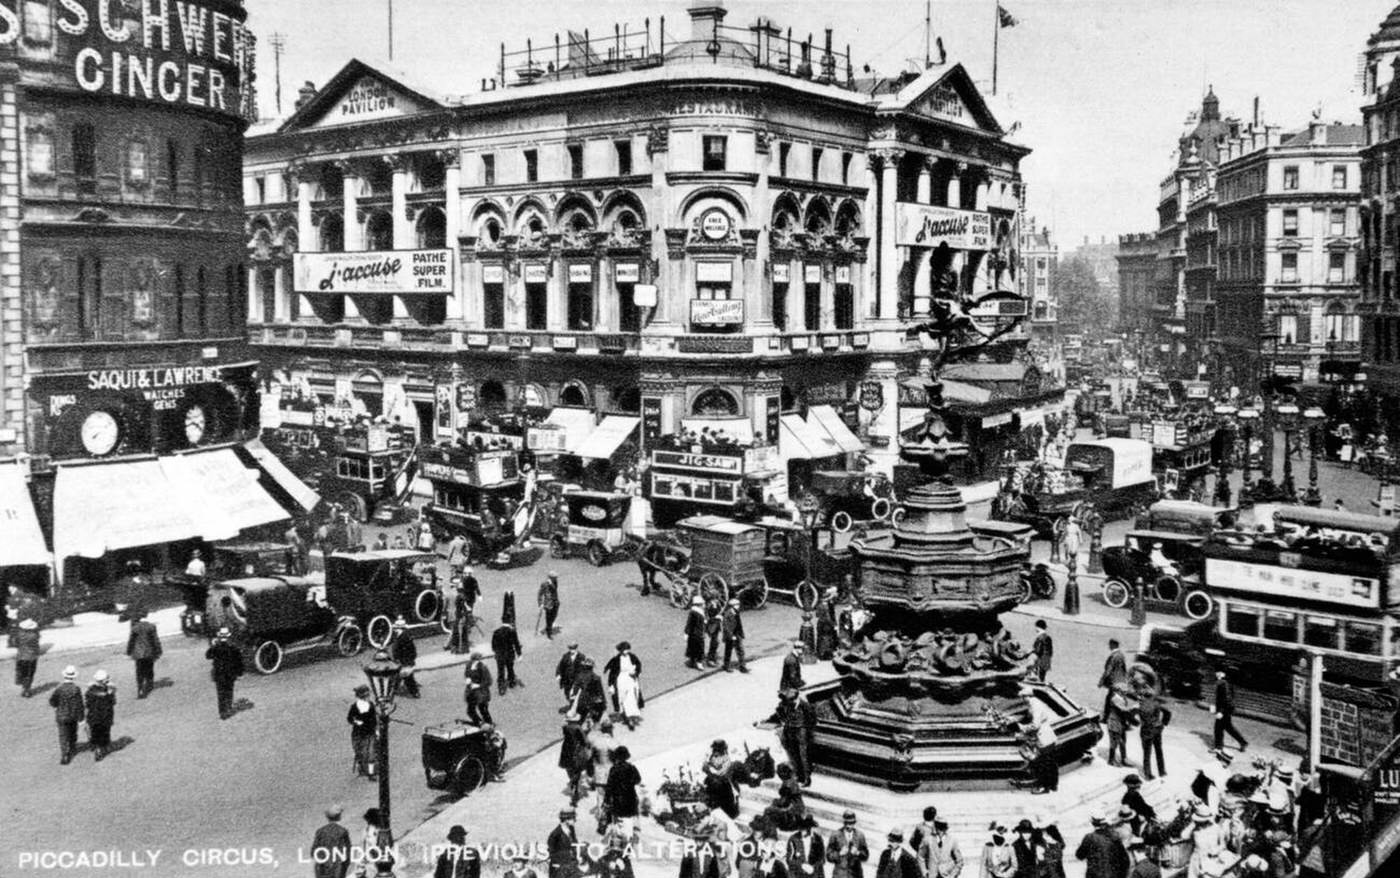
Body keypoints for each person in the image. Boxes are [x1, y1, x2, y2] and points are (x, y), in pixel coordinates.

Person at [777, 687, 817, 787]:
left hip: (801, 731)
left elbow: (812, 718)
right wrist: (784, 722)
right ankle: (798, 776)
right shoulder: (785, 704)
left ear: (796, 698)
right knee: (793, 755)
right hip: (790, 730)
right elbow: (780, 712)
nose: (790, 702)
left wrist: (807, 729)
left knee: (804, 756)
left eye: (791, 700)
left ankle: (806, 779)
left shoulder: (804, 705)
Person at [603, 744, 643, 839]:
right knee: (629, 823)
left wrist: (606, 801)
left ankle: (619, 839)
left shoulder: (614, 769)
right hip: (630, 800)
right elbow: (638, 780)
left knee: (618, 824)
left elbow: (609, 787)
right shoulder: (631, 768)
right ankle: (629, 839)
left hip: (617, 801)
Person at [1074, 813, 1129, 878]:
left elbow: (1079, 856)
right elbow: (1125, 860)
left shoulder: (1089, 838)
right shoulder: (1115, 837)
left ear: (1093, 824)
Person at [206, 627, 244, 720]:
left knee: (221, 694)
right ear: (228, 636)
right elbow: (239, 661)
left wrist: (212, 645)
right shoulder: (233, 647)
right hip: (230, 674)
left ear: (220, 636)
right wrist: (240, 673)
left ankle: (222, 712)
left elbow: (208, 656)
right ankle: (228, 708)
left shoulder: (216, 647)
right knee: (229, 691)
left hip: (219, 674)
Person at [604, 642, 643, 731]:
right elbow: (612, 673)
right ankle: (626, 715)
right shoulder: (617, 659)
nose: (626, 651)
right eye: (624, 650)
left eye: (627, 649)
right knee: (622, 698)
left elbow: (638, 665)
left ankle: (631, 717)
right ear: (621, 650)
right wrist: (611, 685)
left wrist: (636, 672)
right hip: (621, 680)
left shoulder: (632, 657)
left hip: (631, 680)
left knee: (631, 698)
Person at [50, 665, 85, 765]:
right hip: (73, 715)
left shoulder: (59, 689)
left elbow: (52, 701)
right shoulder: (76, 689)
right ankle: (72, 747)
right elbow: (79, 704)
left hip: (61, 715)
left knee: (63, 735)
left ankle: (65, 755)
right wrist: (81, 718)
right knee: (72, 732)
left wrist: (56, 706)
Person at [125, 610, 163, 699]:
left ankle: (140, 690)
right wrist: (159, 650)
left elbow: (131, 641)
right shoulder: (151, 626)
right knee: (149, 668)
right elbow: (155, 640)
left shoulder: (134, 628)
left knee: (139, 671)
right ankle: (149, 684)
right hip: (149, 651)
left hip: (138, 653)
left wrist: (129, 651)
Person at [702, 739, 740, 818]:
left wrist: (711, 770)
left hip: (723, 783)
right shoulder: (712, 756)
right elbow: (704, 768)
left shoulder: (726, 758)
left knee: (727, 801)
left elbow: (722, 772)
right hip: (714, 782)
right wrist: (706, 762)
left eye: (717, 749)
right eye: (714, 749)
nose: (715, 751)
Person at [1212, 670, 1248, 754]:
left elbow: (1226, 699)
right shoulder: (1225, 683)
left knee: (1218, 728)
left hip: (1225, 710)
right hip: (1226, 709)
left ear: (1222, 674)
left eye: (1218, 673)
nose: (1216, 674)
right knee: (1228, 727)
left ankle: (1218, 747)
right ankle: (1243, 742)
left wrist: (1220, 711)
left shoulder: (1223, 684)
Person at [311, 806, 352, 878]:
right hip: (338, 868)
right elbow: (347, 852)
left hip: (323, 868)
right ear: (339, 816)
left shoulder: (320, 831)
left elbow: (314, 851)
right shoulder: (342, 831)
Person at [84, 669, 116, 761]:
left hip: (93, 716)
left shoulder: (90, 691)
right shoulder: (109, 692)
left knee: (95, 732)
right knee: (105, 732)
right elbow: (113, 702)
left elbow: (87, 703)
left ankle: (97, 748)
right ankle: (104, 747)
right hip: (106, 716)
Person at [560, 713, 592, 807]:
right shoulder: (578, 728)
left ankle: (573, 785)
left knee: (569, 768)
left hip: (566, 749)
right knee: (577, 770)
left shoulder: (565, 727)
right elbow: (584, 741)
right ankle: (574, 786)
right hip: (577, 750)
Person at [827, 812, 870, 878]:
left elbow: (866, 856)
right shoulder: (835, 835)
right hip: (840, 875)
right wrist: (839, 853)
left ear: (854, 822)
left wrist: (857, 853)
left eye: (851, 823)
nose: (848, 826)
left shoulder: (860, 835)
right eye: (846, 823)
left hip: (856, 875)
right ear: (844, 822)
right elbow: (828, 856)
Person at [1137, 690, 1169, 780]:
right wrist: (1163, 723)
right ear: (1152, 696)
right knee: (1159, 751)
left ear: (1144, 696)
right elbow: (1168, 712)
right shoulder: (1156, 704)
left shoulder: (1141, 705)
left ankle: (1148, 774)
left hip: (1146, 730)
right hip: (1157, 729)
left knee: (1147, 753)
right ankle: (1162, 771)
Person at [348, 685, 378, 778]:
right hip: (358, 733)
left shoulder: (371, 705)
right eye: (366, 696)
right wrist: (356, 722)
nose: (368, 697)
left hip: (369, 732)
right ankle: (362, 769)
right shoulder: (354, 706)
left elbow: (374, 719)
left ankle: (371, 773)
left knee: (371, 753)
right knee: (359, 752)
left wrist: (376, 730)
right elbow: (349, 718)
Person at [1103, 683, 1136, 768]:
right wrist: (1134, 708)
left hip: (1120, 722)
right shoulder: (1115, 698)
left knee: (1123, 741)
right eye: (1123, 691)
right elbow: (1124, 710)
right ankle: (1111, 760)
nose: (1125, 692)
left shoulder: (1121, 697)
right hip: (1114, 722)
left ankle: (1124, 759)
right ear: (1118, 690)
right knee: (1115, 742)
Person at [787, 813, 827, 878]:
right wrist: (801, 866)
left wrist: (813, 868)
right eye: (801, 827)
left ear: (810, 827)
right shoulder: (793, 839)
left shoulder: (818, 839)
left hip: (814, 874)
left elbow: (822, 859)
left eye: (805, 827)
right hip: (798, 874)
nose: (803, 830)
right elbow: (789, 859)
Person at [571, 657, 608, 725]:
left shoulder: (579, 676)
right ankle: (594, 724)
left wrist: (574, 695)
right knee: (597, 714)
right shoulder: (596, 677)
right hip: (593, 701)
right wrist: (604, 702)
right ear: (592, 667)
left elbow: (575, 688)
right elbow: (600, 691)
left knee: (581, 717)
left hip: (582, 700)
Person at [390, 617, 420, 698]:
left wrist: (403, 660)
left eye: (396, 628)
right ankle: (394, 689)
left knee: (407, 677)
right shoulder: (402, 636)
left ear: (400, 629)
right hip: (403, 661)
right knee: (399, 675)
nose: (394, 630)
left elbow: (410, 651)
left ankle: (414, 692)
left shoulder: (403, 637)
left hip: (404, 661)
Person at [492, 617, 523, 695]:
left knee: (500, 671)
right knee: (510, 668)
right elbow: (516, 643)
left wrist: (496, 652)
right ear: (510, 621)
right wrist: (519, 654)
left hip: (500, 655)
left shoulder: (496, 632)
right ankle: (511, 682)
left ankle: (501, 687)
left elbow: (493, 645)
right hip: (509, 654)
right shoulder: (512, 631)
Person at [464, 649, 494, 725]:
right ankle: (479, 722)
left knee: (483, 709)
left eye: (477, 661)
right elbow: (467, 674)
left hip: (481, 692)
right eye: (473, 661)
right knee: (470, 710)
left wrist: (478, 685)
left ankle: (489, 723)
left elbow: (489, 681)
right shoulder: (468, 666)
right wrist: (468, 679)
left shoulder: (483, 667)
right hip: (471, 692)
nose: (475, 663)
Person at [13, 616, 40, 697]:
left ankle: (23, 687)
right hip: (32, 657)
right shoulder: (35, 635)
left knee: (22, 672)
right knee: (29, 674)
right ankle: (27, 689)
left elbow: (15, 643)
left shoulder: (19, 635)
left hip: (21, 656)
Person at [556, 643, 587, 711]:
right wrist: (558, 674)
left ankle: (575, 707)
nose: (572, 650)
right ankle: (572, 705)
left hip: (577, 680)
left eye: (574, 649)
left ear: (576, 649)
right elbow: (560, 666)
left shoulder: (581, 657)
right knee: (567, 693)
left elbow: (585, 668)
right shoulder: (565, 656)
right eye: (570, 649)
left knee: (576, 693)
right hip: (567, 679)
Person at [722, 598, 750, 673]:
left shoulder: (736, 612)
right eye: (737, 605)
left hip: (737, 634)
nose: (738, 606)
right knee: (728, 651)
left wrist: (741, 634)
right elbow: (726, 627)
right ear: (732, 606)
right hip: (730, 635)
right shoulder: (727, 614)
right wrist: (731, 636)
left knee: (741, 650)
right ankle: (726, 666)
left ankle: (742, 666)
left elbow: (739, 624)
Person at [684, 596, 708, 669]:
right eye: (702, 604)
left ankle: (696, 661)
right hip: (695, 633)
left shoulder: (701, 612)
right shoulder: (693, 612)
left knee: (698, 647)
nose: (704, 605)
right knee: (696, 647)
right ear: (699, 604)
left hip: (700, 633)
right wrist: (686, 633)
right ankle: (696, 662)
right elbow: (689, 623)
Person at [539, 571, 561, 639]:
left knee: (554, 616)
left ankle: (548, 627)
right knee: (548, 618)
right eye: (554, 577)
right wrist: (540, 603)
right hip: (548, 604)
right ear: (550, 577)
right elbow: (540, 594)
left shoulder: (555, 582)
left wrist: (551, 584)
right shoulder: (544, 584)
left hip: (555, 602)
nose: (556, 578)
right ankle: (549, 633)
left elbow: (554, 589)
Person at [705, 596, 724, 667]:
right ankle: (710, 659)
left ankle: (712, 657)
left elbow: (721, 612)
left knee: (715, 642)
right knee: (714, 642)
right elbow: (706, 618)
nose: (717, 600)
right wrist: (715, 618)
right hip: (711, 626)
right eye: (715, 599)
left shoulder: (717, 604)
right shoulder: (708, 605)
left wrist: (721, 616)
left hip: (716, 625)